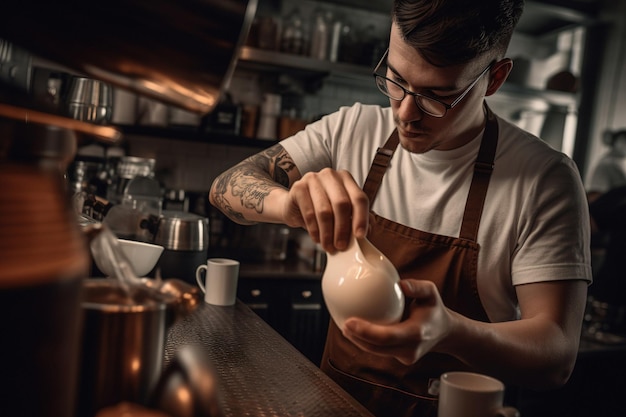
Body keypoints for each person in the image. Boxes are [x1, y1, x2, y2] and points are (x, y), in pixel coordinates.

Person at [209, 0, 592, 415]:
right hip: (336, 404)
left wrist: (450, 332)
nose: (406, 114)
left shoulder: (544, 179)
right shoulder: (352, 129)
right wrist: (291, 205)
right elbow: (224, 189)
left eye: (438, 96)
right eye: (395, 79)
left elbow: (556, 357)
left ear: (494, 78)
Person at [587, 129, 626, 203]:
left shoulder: (620, 163)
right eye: (623, 141)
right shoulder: (606, 164)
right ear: (615, 142)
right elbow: (596, 194)